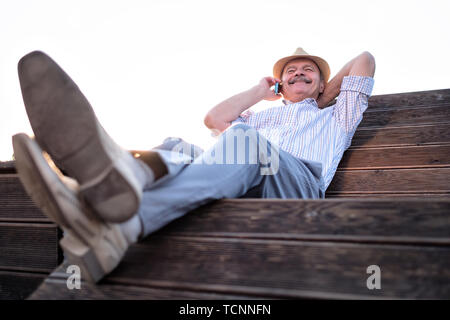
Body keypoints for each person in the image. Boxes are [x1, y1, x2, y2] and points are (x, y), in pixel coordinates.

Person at [12, 48, 375, 283]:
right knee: (177, 145)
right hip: (244, 178)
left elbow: (364, 59)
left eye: (307, 70)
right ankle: (117, 182)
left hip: (298, 193)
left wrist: (323, 94)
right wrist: (259, 91)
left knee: (243, 139)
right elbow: (214, 119)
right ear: (280, 83)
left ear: (324, 82)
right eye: (291, 71)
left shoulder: (337, 116)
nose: (298, 74)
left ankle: (124, 216)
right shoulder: (262, 118)